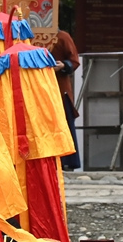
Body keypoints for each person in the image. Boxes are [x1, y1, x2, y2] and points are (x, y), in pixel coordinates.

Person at [48, 29, 80, 171]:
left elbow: (73, 61)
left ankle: (68, 161)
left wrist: (63, 65)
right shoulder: (27, 36)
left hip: (60, 88)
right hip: (39, 88)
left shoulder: (62, 36)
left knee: (65, 124)